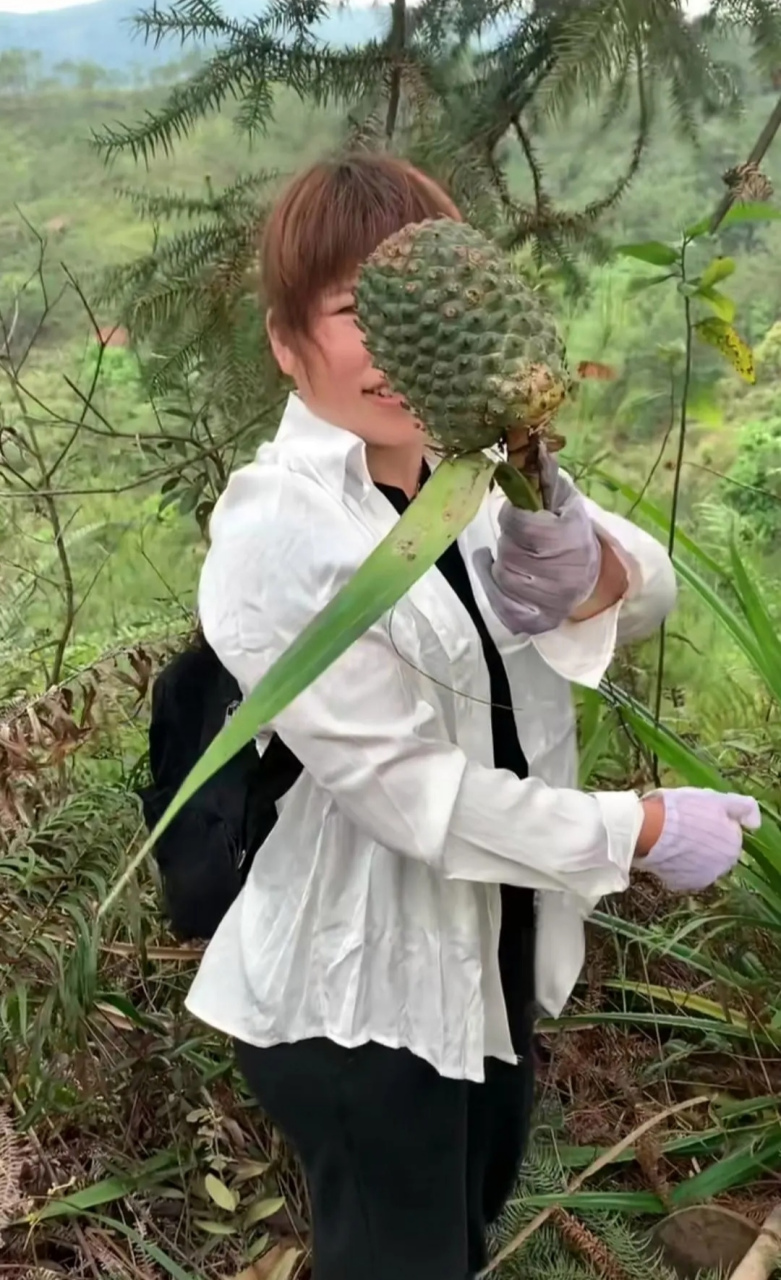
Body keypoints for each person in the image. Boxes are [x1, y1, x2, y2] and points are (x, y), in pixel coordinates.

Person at [184, 153, 761, 1280]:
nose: (401, 344)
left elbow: (645, 590)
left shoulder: (477, 465)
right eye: (358, 311)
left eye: (432, 303)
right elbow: (418, 798)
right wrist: (635, 828)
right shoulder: (278, 531)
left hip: (488, 957)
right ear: (283, 337)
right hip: (360, 988)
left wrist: (584, 559)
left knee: (462, 1225)